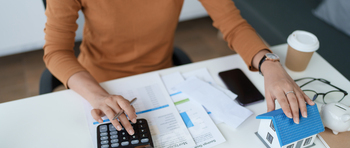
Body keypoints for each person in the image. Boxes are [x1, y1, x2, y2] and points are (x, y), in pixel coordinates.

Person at [43, 0, 314, 136]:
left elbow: (232, 23)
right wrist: (98, 95)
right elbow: (56, 51)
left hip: (162, 79)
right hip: (97, 86)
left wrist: (271, 64)